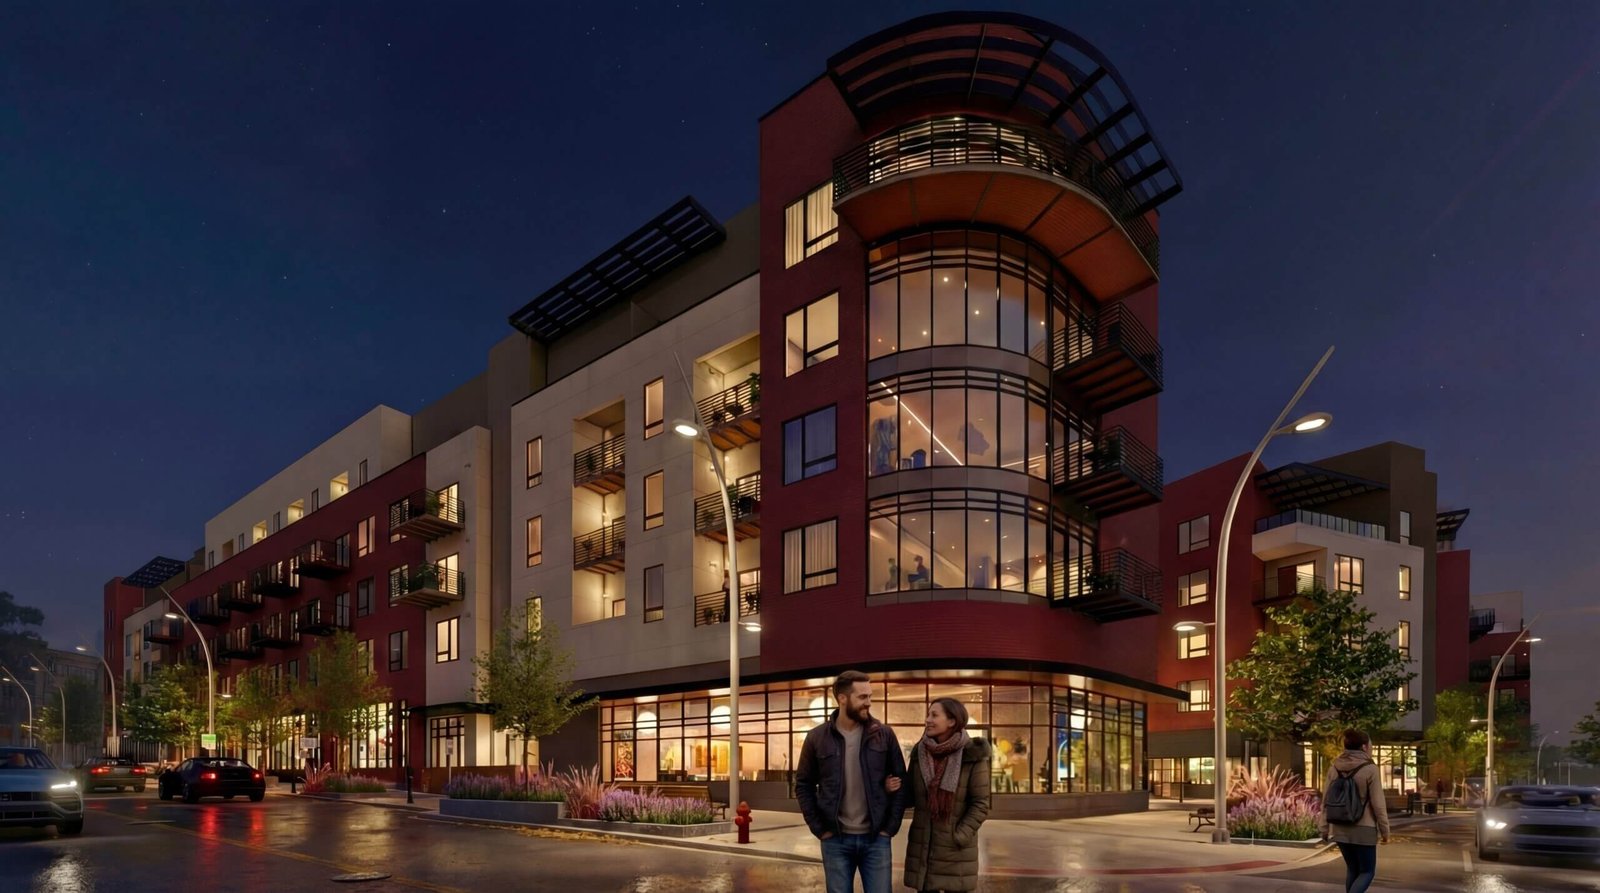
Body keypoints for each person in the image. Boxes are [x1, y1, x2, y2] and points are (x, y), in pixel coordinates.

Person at [796, 670, 908, 893]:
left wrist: (889, 829)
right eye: (862, 697)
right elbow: (803, 785)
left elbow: (901, 782)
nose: (868, 702)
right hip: (835, 840)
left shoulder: (884, 734)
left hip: (876, 839)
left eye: (870, 696)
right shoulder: (817, 737)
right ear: (842, 699)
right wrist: (820, 829)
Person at [903, 697, 991, 893]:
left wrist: (959, 835)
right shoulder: (920, 752)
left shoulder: (972, 754)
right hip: (924, 848)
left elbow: (981, 803)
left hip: (956, 851)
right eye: (928, 714)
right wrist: (893, 787)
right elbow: (909, 797)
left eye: (934, 715)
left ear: (952, 721)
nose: (927, 720)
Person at [1319, 728, 1390, 893]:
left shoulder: (1334, 767)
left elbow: (1325, 802)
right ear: (1364, 747)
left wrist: (1323, 828)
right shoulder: (1370, 769)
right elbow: (1378, 804)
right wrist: (1385, 831)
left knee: (1353, 869)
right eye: (1370, 744)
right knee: (1367, 872)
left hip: (1339, 828)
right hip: (1364, 829)